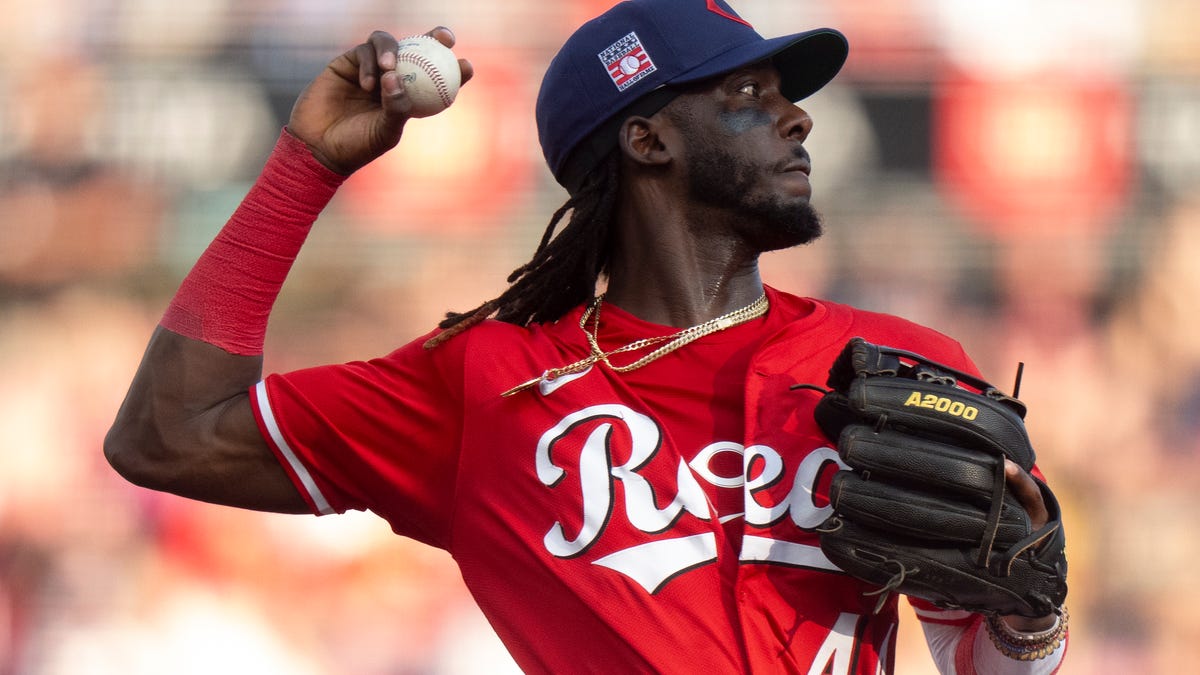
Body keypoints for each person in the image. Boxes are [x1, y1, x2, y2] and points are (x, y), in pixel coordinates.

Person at [105, 0, 1069, 672]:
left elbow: (981, 660)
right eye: (744, 95)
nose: (795, 117)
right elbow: (168, 433)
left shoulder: (899, 365)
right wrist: (304, 168)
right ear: (646, 140)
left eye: (784, 93)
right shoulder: (489, 380)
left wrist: (1027, 617)